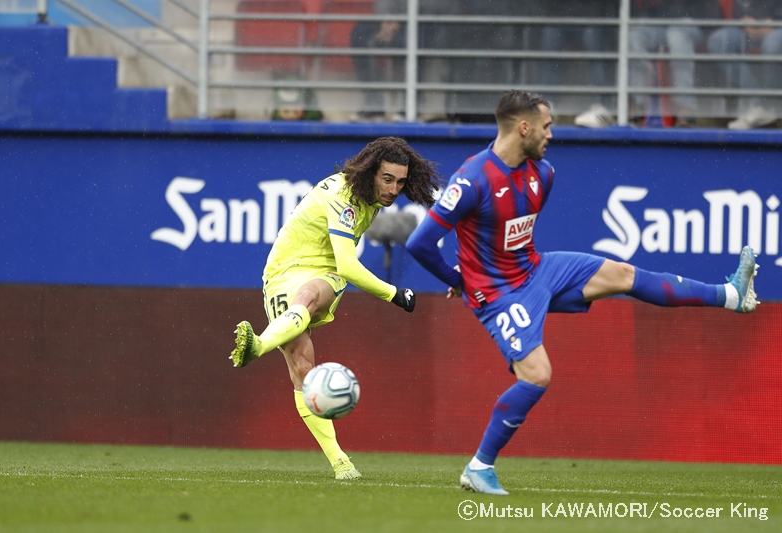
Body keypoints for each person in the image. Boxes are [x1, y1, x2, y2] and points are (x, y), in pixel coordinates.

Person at [405, 90, 760, 495]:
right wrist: (459, 280)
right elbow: (419, 243)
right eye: (546, 126)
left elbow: (512, 237)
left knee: (623, 273)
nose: (551, 134)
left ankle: (731, 294)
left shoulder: (544, 174)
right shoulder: (473, 179)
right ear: (524, 127)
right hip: (499, 293)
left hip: (536, 270)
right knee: (537, 375)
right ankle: (479, 467)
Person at [229, 137, 442, 480]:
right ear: (372, 172)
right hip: (284, 272)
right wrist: (394, 294)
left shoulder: (369, 198)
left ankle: (258, 345)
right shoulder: (345, 197)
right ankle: (340, 462)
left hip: (322, 273)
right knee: (302, 368)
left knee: (311, 296)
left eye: (400, 182)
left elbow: (337, 267)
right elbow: (347, 264)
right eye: (387, 179)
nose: (393, 189)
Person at [629, 0, 725, 126]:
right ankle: (639, 106)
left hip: (695, 24)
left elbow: (713, 12)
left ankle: (685, 109)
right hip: (662, 24)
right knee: (634, 36)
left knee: (677, 34)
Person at [534, 0, 620, 128]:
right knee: (550, 34)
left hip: (594, 17)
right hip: (561, 16)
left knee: (592, 35)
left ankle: (601, 107)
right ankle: (547, 107)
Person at [707, 0, 782, 129]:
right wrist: (744, 19)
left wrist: (775, 21)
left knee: (772, 44)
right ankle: (759, 102)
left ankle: (768, 105)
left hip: (777, 26)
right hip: (748, 29)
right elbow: (739, 5)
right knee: (718, 41)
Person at [349, 0, 407, 122]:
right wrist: (385, 21)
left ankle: (411, 105)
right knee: (359, 33)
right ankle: (374, 103)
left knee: (413, 38)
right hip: (386, 18)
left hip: (418, 19)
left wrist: (398, 22)